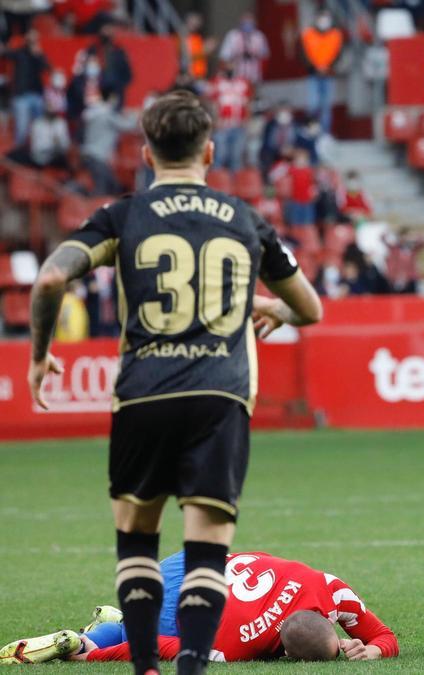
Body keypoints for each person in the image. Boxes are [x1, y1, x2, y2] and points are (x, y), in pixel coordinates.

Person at [24, 90, 323, 675]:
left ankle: (145, 669)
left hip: (145, 393)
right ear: (210, 151)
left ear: (146, 153)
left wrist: (40, 355)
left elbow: (49, 281)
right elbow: (309, 308)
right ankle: (190, 668)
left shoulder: (124, 215)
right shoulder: (244, 219)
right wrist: (273, 309)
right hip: (221, 396)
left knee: (137, 544)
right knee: (207, 549)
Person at [0, 551, 398, 664]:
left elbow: (382, 638)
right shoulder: (240, 646)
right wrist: (95, 658)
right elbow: (163, 647)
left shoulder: (326, 586)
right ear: (286, 653)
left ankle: (119, 616)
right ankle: (87, 641)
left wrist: (372, 647)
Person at [2, 29, 49, 146]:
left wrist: (38, 54)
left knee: (40, 128)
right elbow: (6, 53)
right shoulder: (20, 53)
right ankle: (19, 153)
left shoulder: (39, 55)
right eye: (30, 39)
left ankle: (37, 152)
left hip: (36, 95)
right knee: (22, 129)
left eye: (34, 40)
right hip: (21, 96)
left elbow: (47, 68)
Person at [300, 10, 343, 133]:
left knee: (326, 107)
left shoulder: (336, 34)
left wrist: (328, 67)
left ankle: (325, 134)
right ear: (316, 19)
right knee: (312, 105)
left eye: (326, 18)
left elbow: (338, 54)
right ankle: (310, 131)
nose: (324, 22)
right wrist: (315, 68)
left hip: (328, 75)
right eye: (321, 18)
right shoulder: (308, 34)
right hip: (313, 75)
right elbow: (303, 54)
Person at [219, 13, 270, 85]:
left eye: (250, 22)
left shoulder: (259, 36)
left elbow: (265, 57)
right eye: (245, 22)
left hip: (254, 76)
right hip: (236, 76)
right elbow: (224, 57)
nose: (248, 24)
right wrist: (227, 73)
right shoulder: (232, 35)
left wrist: (262, 73)